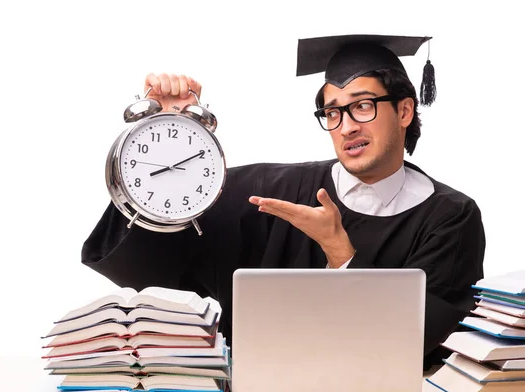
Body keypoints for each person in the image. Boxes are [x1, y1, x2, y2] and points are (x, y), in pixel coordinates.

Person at [81, 34, 485, 368]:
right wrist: (171, 131)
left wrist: (342, 256)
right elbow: (150, 263)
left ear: (404, 111)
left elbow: (426, 341)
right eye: (333, 112)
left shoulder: (449, 217)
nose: (346, 127)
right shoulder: (265, 190)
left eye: (362, 106)